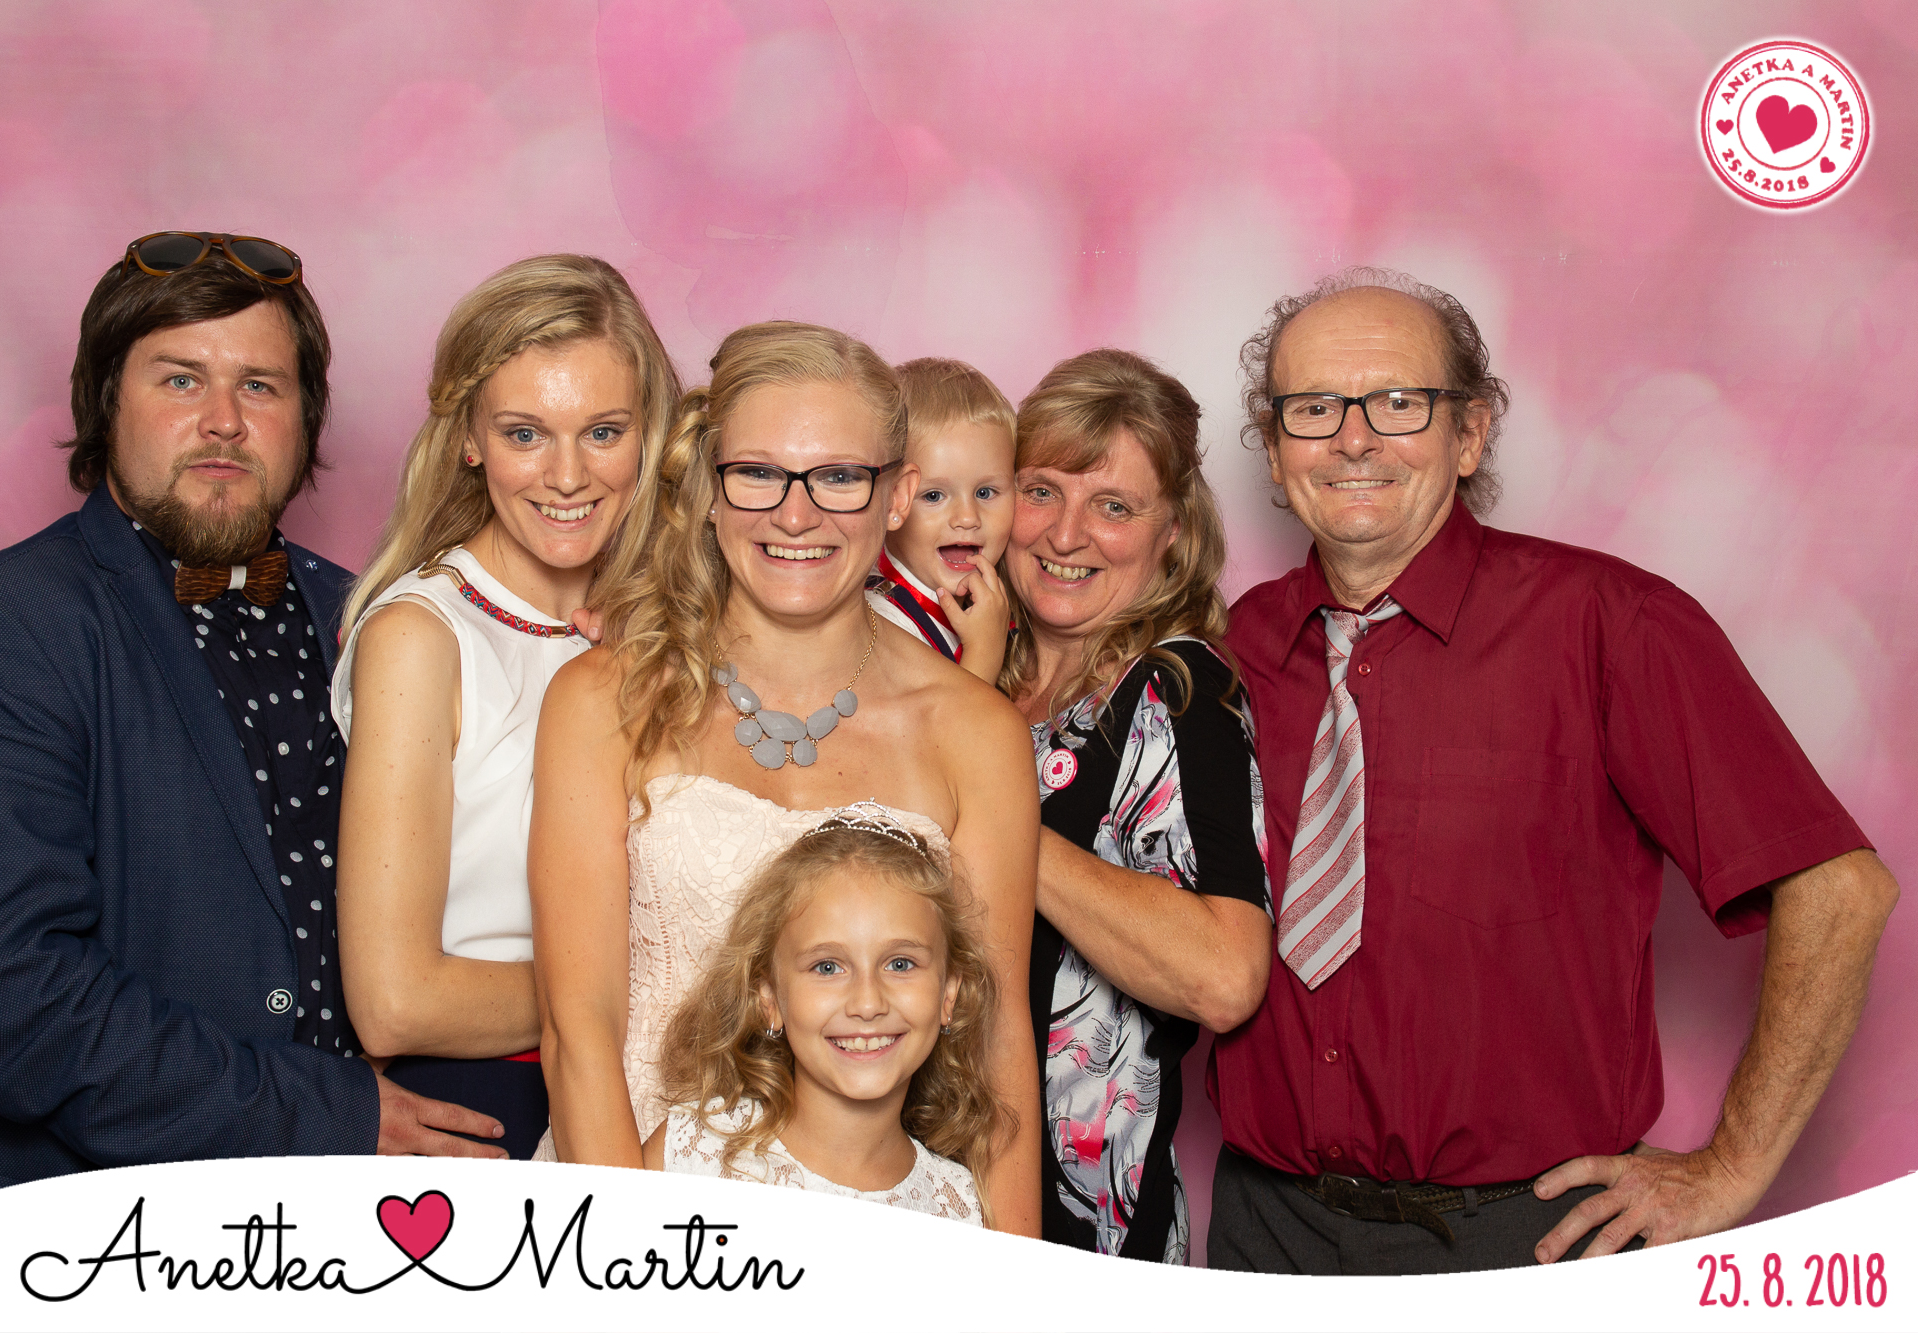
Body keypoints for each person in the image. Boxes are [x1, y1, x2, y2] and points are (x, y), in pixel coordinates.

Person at [1212, 267, 1899, 1274]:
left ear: (1470, 433)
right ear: (1275, 452)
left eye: (1398, 402)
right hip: (1263, 1231)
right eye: (1312, 408)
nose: (1353, 438)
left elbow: (1839, 889)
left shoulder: (1611, 627)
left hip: (1525, 1239)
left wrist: (1729, 1167)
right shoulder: (1230, 651)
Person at [0, 232, 505, 1214]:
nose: (225, 420)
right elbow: (2, 995)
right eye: (181, 379)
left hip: (375, 1219)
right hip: (83, 1230)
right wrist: (317, 1115)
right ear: (105, 403)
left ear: (305, 421)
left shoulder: (386, 620)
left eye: (261, 386)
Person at [527, 321, 1045, 1236]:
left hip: (882, 1229)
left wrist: (1016, 1286)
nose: (795, 516)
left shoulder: (977, 733)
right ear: (711, 489)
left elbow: (997, 1056)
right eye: (759, 474)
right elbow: (580, 1030)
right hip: (631, 1194)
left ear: (897, 494)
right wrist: (638, 1265)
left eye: (838, 476)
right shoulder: (600, 700)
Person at [331, 255, 680, 1159]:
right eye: (525, 433)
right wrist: (673, 980)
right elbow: (394, 1000)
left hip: (667, 1103)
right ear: (469, 438)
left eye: (603, 431)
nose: (567, 475)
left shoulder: (668, 625)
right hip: (491, 1115)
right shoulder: (422, 636)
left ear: (650, 434)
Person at [1000, 349, 1273, 1263]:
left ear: (1173, 533)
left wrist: (988, 818)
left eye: (1113, 506)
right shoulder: (968, 671)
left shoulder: (1176, 692)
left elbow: (1224, 975)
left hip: (1084, 1228)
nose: (1065, 533)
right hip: (921, 1186)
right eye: (1041, 491)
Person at [645, 806, 1001, 1227]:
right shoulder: (693, 1152)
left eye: (900, 964)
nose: (867, 1004)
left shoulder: (960, 1207)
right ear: (769, 998)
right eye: (828, 967)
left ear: (949, 994)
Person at [866, 357, 1015, 683]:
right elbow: (950, 719)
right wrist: (985, 652)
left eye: (986, 492)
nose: (967, 518)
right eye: (933, 496)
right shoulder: (879, 625)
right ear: (893, 501)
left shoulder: (991, 603)